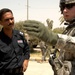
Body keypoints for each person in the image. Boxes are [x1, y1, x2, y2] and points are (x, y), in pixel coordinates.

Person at [23, 0, 75, 75]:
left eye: (69, 6)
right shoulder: (69, 29)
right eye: (62, 7)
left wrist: (52, 37)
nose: (65, 10)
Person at [0, 8, 30, 75]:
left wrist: (26, 60)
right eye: (7, 20)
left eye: (12, 18)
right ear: (1, 22)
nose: (10, 21)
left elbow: (26, 49)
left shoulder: (20, 35)